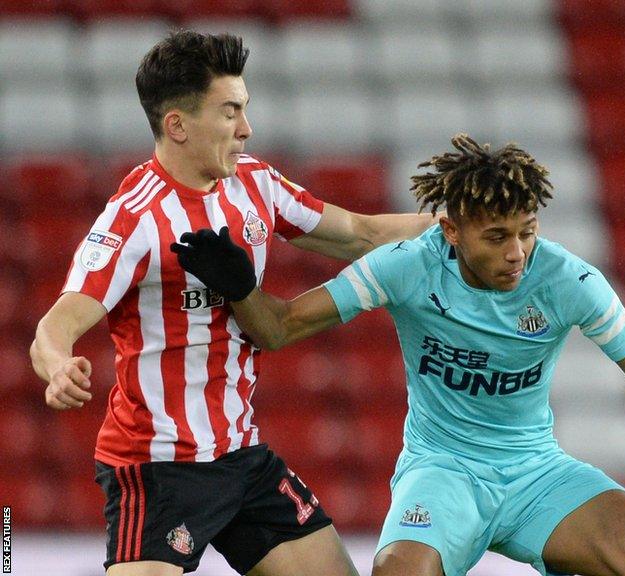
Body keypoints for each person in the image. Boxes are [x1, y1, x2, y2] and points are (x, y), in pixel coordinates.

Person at [171, 133, 625, 576]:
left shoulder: (567, 280)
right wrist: (242, 288)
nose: (517, 254)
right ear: (450, 229)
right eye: (498, 236)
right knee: (398, 571)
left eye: (528, 232)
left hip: (535, 473)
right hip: (444, 470)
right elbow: (279, 329)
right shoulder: (406, 265)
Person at [29, 30, 436, 576]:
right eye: (229, 112)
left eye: (244, 110)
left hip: (242, 458)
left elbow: (360, 233)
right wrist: (57, 367)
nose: (246, 128)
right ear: (177, 125)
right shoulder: (135, 219)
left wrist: (450, 226)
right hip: (159, 468)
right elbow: (55, 326)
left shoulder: (256, 183)